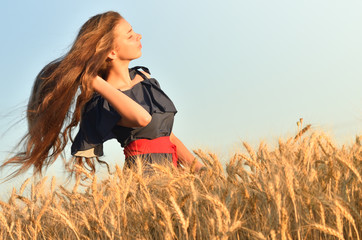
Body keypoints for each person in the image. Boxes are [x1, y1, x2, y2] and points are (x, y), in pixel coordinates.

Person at [1, 11, 204, 178]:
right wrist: (93, 81)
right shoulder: (103, 101)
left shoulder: (145, 78)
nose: (138, 36)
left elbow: (167, 135)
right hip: (145, 180)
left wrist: (201, 170)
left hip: (175, 175)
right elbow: (142, 118)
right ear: (111, 52)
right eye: (130, 34)